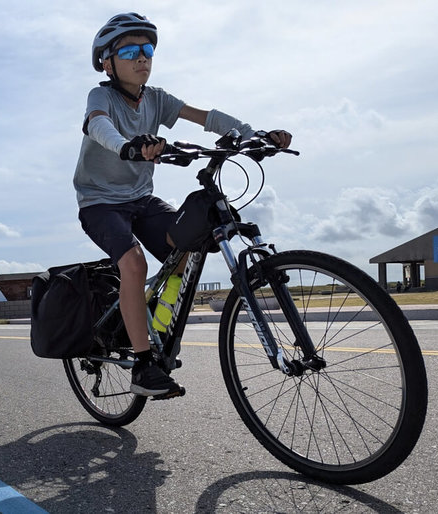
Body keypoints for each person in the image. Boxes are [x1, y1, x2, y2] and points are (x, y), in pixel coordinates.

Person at [74, 12, 292, 397]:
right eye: (130, 51)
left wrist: (251, 134)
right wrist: (128, 145)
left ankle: (153, 320)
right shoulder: (102, 96)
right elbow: (98, 124)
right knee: (134, 262)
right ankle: (142, 366)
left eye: (148, 50)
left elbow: (205, 117)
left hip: (140, 199)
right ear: (107, 62)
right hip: (100, 203)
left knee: (188, 245)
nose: (143, 57)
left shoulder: (157, 98)